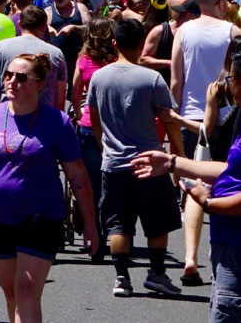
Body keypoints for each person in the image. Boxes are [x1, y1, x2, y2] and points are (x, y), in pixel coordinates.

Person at [135, 37, 241, 323]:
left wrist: (207, 202)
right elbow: (233, 170)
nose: (227, 85)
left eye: (231, 78)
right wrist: (174, 162)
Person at [0, 53, 99, 323]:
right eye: (8, 75)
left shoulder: (57, 121)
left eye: (21, 77)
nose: (11, 81)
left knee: (26, 292)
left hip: (41, 215)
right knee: (11, 294)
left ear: (39, 84)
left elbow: (77, 175)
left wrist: (90, 223)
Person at [87, 18, 184, 298]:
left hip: (114, 163)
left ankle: (121, 277)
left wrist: (104, 145)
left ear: (114, 43)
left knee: (118, 223)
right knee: (158, 221)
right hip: (150, 163)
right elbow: (169, 118)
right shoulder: (151, 78)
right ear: (141, 43)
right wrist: (179, 153)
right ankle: (156, 273)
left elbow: (93, 117)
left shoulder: (99, 77)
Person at [171, 0, 241, 286]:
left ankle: (190, 257)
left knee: (193, 186)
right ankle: (221, 259)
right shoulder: (233, 33)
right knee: (228, 184)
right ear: (221, 2)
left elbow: (176, 79)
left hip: (191, 117)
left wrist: (174, 118)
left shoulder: (183, 31)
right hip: (227, 117)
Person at [74, 17, 117, 234]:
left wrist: (81, 112)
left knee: (92, 178)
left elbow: (74, 94)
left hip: (90, 124)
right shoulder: (117, 60)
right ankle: (112, 222)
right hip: (114, 126)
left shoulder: (83, 61)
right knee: (114, 177)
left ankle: (93, 225)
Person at [0, 6, 67, 110]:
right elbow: (60, 100)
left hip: (5, 117)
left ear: (19, 24)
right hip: (44, 120)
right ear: (43, 28)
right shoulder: (56, 54)